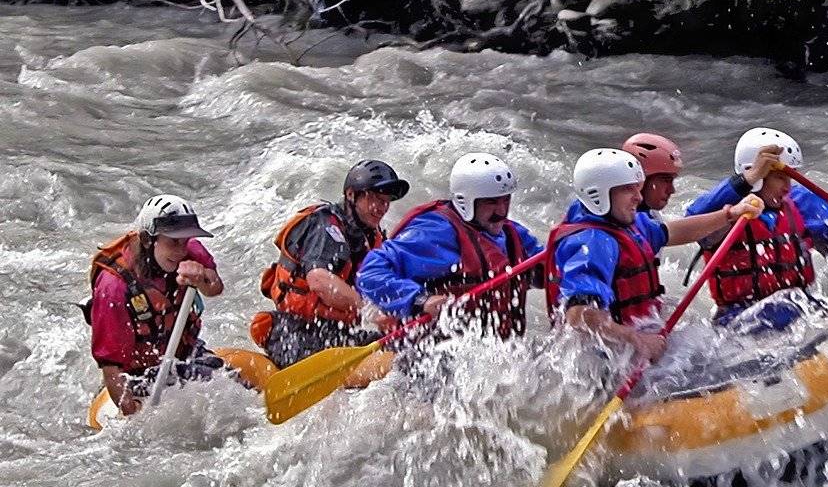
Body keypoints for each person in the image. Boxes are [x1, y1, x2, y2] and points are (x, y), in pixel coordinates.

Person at [545, 148, 762, 362]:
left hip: (637, 344)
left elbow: (675, 231)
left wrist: (729, 214)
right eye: (628, 189)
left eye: (638, 188)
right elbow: (578, 315)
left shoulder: (629, 224)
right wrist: (637, 340)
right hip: (608, 361)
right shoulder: (592, 242)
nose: (638, 198)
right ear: (599, 193)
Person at [683, 127, 828, 327]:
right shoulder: (725, 211)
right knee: (788, 309)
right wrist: (747, 180)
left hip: (802, 312)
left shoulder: (801, 202)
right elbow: (691, 222)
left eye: (791, 177)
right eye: (780, 177)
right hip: (741, 323)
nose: (787, 187)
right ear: (754, 174)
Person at [357, 152, 543, 339]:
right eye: (491, 202)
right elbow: (370, 273)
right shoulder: (434, 232)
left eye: (506, 199)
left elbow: (554, 268)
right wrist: (421, 300)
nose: (502, 211)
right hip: (428, 352)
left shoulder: (513, 235)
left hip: (491, 353)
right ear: (466, 201)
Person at [252, 159, 407, 368]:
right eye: (377, 199)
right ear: (351, 194)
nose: (383, 208)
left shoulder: (370, 237)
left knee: (405, 347)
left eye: (387, 201)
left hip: (337, 331)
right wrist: (370, 312)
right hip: (294, 331)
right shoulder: (324, 226)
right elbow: (319, 280)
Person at [87, 194, 224, 416]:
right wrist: (131, 412)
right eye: (173, 241)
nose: (181, 251)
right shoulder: (114, 286)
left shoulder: (191, 251)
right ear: (147, 239)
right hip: (138, 374)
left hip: (183, 355)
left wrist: (202, 279)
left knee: (228, 384)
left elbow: (215, 288)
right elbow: (111, 366)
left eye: (185, 240)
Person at [622, 133, 683, 216]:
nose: (672, 190)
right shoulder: (626, 222)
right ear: (640, 181)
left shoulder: (647, 216)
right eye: (666, 180)